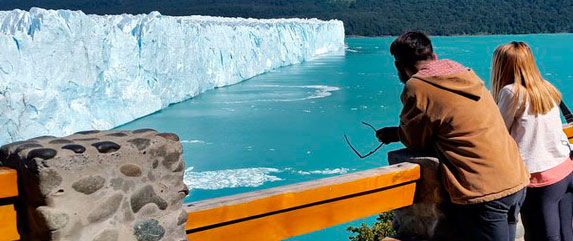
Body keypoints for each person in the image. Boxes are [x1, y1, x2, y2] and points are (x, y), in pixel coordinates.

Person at [376, 31, 530, 241]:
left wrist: (396, 133)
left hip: (483, 189)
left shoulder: (418, 86)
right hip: (514, 178)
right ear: (434, 57)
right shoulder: (465, 74)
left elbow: (415, 139)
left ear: (399, 66)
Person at [491, 41, 573, 241]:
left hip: (538, 176)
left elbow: (498, 132)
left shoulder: (512, 92)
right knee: (566, 233)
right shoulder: (546, 87)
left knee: (543, 235)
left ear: (502, 66)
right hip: (564, 168)